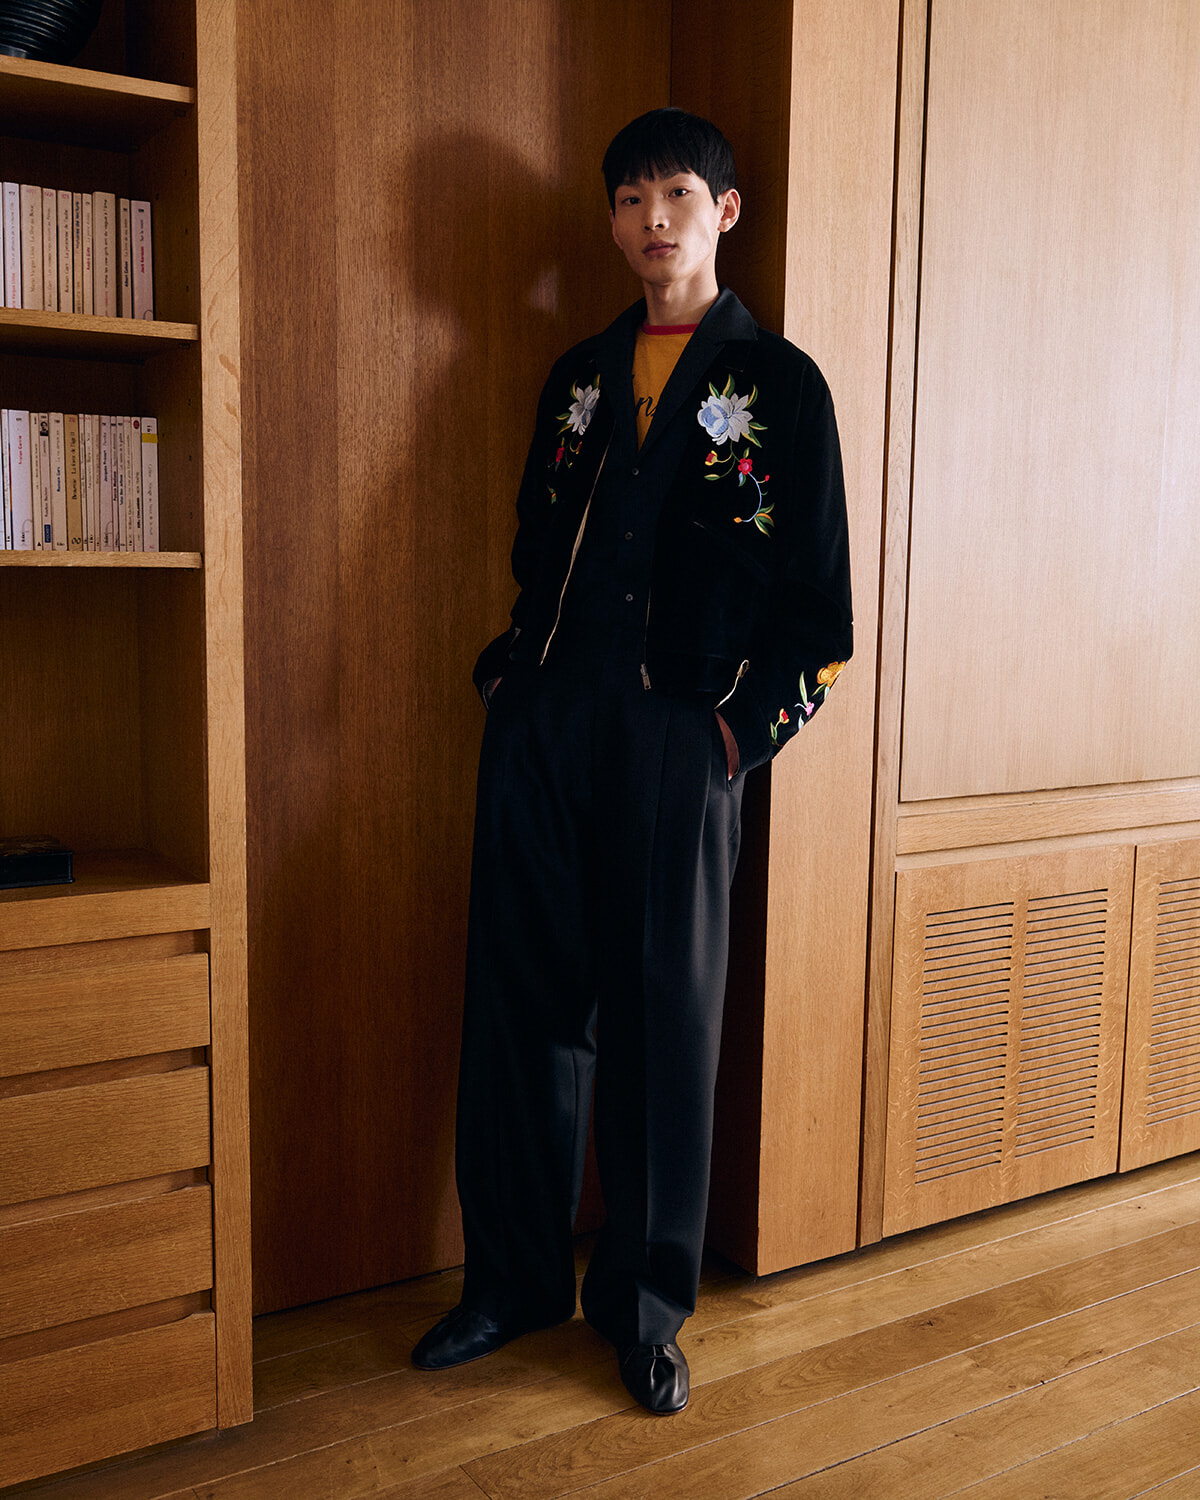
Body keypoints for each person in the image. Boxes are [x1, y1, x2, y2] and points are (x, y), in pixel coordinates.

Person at [411, 107, 853, 1415]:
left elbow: (820, 616)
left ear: (725, 211)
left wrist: (734, 732)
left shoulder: (783, 389)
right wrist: (513, 676)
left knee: (665, 1024)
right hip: (549, 722)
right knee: (521, 1006)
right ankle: (510, 1279)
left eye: (673, 194)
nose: (649, 220)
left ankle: (645, 1308)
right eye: (626, 200)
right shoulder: (580, 376)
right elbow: (534, 543)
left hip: (681, 739)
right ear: (610, 223)